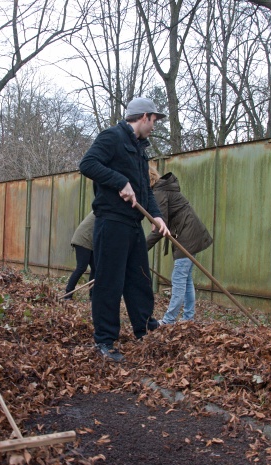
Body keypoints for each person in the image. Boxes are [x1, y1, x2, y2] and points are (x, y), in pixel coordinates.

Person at [78, 97, 170, 362]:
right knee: (110, 282)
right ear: (144, 117)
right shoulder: (112, 137)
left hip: (133, 224)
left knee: (139, 279)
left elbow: (143, 190)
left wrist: (156, 216)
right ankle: (105, 340)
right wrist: (120, 181)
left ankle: (145, 329)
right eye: (154, 121)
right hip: (111, 222)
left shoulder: (139, 148)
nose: (154, 126)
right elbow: (87, 164)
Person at [146, 167, 213, 324]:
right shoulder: (163, 189)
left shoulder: (159, 192)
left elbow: (160, 229)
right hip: (189, 232)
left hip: (187, 235)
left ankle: (169, 320)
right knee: (186, 278)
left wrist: (141, 249)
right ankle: (188, 318)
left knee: (179, 278)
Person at [64, 211, 96, 300]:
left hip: (90, 241)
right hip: (82, 240)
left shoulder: (103, 209)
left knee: (95, 267)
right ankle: (68, 293)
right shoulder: (102, 210)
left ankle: (92, 295)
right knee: (81, 267)